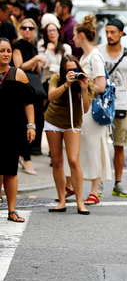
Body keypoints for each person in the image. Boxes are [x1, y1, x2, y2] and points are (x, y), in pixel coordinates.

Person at [63, 14, 111, 205]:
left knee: (93, 148)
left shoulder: (95, 57)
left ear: (82, 35)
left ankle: (94, 190)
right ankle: (76, 186)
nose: (73, 38)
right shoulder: (85, 56)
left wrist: (84, 83)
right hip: (84, 108)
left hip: (93, 109)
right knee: (83, 148)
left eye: (75, 35)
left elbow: (102, 86)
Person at [97, 18, 127, 198]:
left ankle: (118, 183)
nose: (109, 35)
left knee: (119, 146)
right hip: (101, 105)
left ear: (121, 33)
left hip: (122, 104)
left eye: (113, 32)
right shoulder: (98, 52)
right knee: (99, 145)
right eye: (107, 32)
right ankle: (97, 183)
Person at [46, 55, 93, 215]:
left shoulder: (85, 80)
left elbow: (85, 109)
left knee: (73, 160)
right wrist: (66, 84)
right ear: (63, 70)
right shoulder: (57, 78)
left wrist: (84, 89)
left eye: (75, 69)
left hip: (73, 123)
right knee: (57, 161)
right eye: (69, 70)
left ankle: (80, 202)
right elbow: (51, 97)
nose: (73, 73)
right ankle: (61, 200)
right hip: (53, 121)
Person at [0, 37, 36, 222]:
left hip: (12, 129)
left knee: (10, 171)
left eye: (8, 51)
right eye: (2, 51)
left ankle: (12, 210)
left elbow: (29, 102)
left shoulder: (18, 74)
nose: (6, 54)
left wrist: (31, 125)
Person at [12, 18, 47, 171]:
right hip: (20, 86)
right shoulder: (17, 45)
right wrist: (35, 59)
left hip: (33, 87)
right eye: (24, 27)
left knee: (32, 122)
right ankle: (25, 158)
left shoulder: (33, 46)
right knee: (23, 121)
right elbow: (19, 66)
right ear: (20, 28)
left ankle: (24, 156)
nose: (27, 30)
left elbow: (37, 71)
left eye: (30, 28)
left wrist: (39, 63)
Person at [38, 13, 72, 82]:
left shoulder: (66, 48)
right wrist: (48, 50)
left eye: (54, 30)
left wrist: (50, 67)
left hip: (62, 79)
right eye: (49, 31)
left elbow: (66, 67)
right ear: (46, 34)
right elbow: (43, 65)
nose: (52, 33)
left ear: (58, 33)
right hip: (47, 81)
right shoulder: (41, 47)